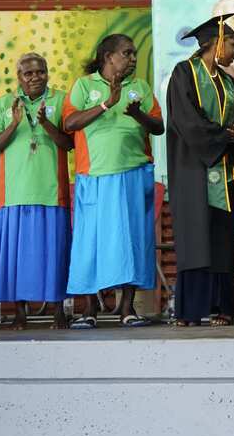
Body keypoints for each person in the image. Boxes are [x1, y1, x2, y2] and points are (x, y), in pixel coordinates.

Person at [63, 34, 163, 328]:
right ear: (108, 56)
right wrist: (107, 104)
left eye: (133, 53)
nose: (133, 58)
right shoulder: (84, 86)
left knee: (132, 240)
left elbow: (158, 127)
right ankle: (89, 310)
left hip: (133, 174)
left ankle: (127, 310)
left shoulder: (140, 87)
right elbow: (70, 123)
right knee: (91, 242)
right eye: (127, 53)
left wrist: (139, 115)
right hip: (94, 176)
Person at [166, 15, 234, 327]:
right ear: (213, 43)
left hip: (225, 172)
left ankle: (222, 307)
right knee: (195, 237)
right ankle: (189, 310)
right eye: (231, 43)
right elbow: (186, 120)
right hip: (193, 172)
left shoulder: (230, 83)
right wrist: (222, 136)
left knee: (221, 238)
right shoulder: (184, 74)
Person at [0, 53, 74, 330]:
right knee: (17, 258)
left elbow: (68, 143)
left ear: (48, 73)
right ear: (19, 77)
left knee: (55, 253)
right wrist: (14, 122)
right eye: (29, 73)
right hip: (14, 193)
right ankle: (20, 313)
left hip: (51, 190)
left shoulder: (61, 99)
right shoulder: (4, 103)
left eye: (41, 72)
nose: (35, 77)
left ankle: (58, 311)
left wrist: (46, 122)